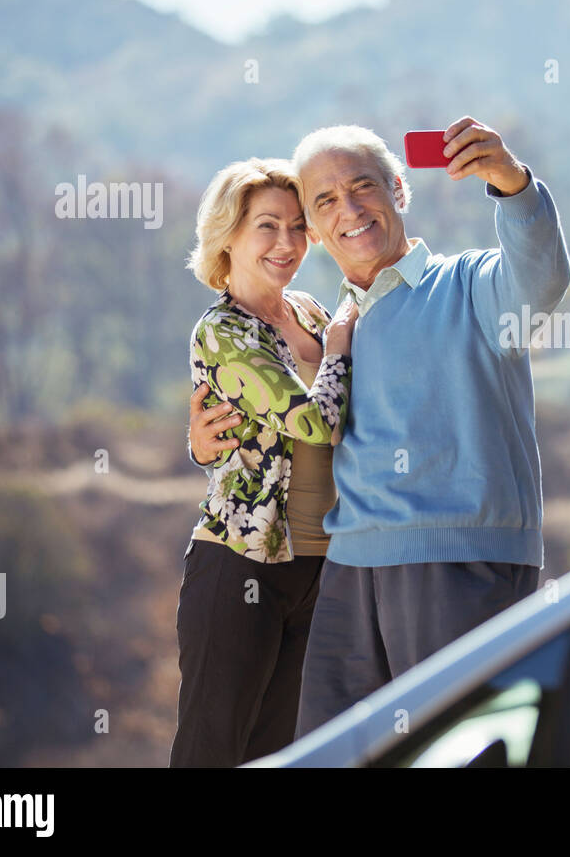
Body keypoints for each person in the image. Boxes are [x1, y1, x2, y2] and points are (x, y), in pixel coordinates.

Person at [291, 115, 570, 737]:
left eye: (363, 186)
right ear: (310, 228)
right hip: (350, 567)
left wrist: (511, 182)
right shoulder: (328, 329)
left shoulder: (469, 285)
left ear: (399, 190)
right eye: (326, 200)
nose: (349, 209)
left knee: (461, 750)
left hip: (459, 563)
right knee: (333, 753)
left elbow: (540, 280)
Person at [170, 157, 357, 767]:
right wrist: (337, 352)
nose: (288, 242)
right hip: (240, 563)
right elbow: (314, 421)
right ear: (228, 236)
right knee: (212, 749)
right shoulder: (223, 331)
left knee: (276, 755)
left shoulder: (306, 312)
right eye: (267, 226)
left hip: (319, 567)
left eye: (299, 226)